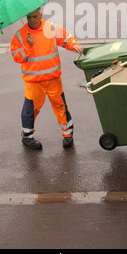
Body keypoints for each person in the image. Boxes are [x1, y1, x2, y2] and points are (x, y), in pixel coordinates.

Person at [10, 8, 83, 150]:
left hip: (53, 79)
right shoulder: (21, 35)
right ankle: (27, 137)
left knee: (60, 106)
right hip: (33, 81)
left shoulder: (51, 27)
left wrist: (73, 45)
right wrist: (27, 46)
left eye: (35, 17)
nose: (32, 20)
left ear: (41, 15)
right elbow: (17, 57)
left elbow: (66, 38)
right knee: (31, 110)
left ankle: (68, 135)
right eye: (29, 17)